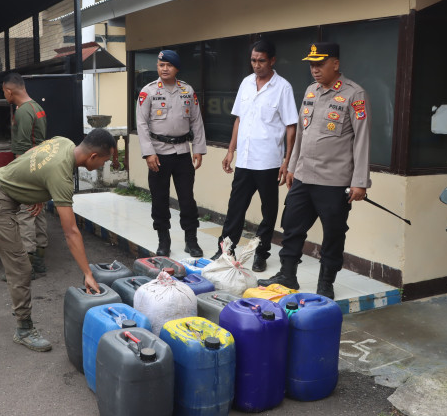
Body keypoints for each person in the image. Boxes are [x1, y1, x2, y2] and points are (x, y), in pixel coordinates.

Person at [0, 129, 116, 352]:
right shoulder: (61, 174)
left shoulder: (63, 142)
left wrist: (35, 192)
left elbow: (34, 158)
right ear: (93, 156)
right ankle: (24, 329)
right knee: (21, 266)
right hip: (0, 201)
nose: (104, 165)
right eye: (105, 160)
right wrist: (87, 273)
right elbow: (71, 232)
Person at [259, 42, 371, 299]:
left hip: (334, 181)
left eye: (320, 64)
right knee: (291, 226)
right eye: (311, 64)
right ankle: (288, 275)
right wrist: (291, 166)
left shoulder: (355, 94)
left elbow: (362, 139)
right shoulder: (310, 91)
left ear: (336, 64)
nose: (314, 69)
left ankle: (326, 282)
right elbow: (301, 134)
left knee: (333, 233)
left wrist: (360, 181)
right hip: (303, 176)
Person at [212, 40, 298, 271]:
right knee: (235, 207)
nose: (256, 65)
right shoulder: (246, 83)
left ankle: (261, 253)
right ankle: (225, 249)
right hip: (246, 159)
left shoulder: (283, 88)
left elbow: (291, 126)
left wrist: (287, 161)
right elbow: (239, 119)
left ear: (272, 60)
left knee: (268, 211)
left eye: (261, 61)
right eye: (253, 60)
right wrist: (231, 151)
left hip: (269, 161)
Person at [136, 50, 206, 258]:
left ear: (176, 68)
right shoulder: (148, 92)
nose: (164, 69)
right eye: (161, 65)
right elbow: (141, 123)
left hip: (183, 152)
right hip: (158, 153)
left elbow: (196, 120)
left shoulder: (187, 90)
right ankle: (163, 241)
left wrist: (198, 149)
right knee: (159, 199)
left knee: (187, 199)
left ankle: (191, 241)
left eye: (168, 65)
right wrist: (148, 153)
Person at [3, 72, 48, 277]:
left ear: (9, 91)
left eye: (4, 92)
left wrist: (18, 178)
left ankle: (26, 266)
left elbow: (22, 150)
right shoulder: (37, 107)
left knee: (25, 214)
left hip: (28, 169)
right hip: (41, 167)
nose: (5, 95)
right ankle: (39, 260)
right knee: (39, 213)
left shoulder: (22, 112)